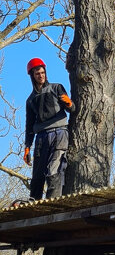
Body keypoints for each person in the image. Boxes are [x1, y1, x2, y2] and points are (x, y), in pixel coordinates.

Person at [23, 57, 75, 200]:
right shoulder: (30, 100)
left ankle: (53, 204)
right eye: (37, 74)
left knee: (54, 171)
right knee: (37, 175)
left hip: (59, 134)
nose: (41, 76)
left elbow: (72, 109)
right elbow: (29, 126)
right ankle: (34, 205)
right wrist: (27, 146)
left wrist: (69, 104)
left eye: (42, 72)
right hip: (41, 138)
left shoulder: (56, 88)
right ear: (32, 76)